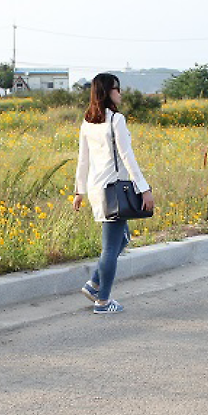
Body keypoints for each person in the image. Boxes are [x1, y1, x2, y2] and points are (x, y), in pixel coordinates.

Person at [72, 73, 154, 314]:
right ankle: (103, 301)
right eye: (117, 88)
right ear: (107, 91)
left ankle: (94, 283)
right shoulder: (116, 120)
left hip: (97, 189)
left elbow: (83, 160)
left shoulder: (87, 122)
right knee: (110, 247)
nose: (120, 93)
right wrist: (144, 189)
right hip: (114, 191)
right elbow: (128, 157)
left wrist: (79, 191)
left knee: (123, 238)